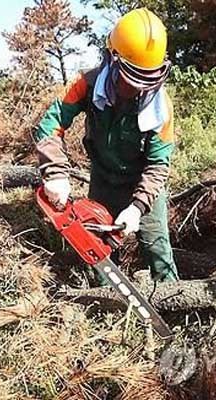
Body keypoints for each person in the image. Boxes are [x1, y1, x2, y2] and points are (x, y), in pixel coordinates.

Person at [34, 8, 179, 283]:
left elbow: (158, 165)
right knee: (95, 246)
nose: (139, 89)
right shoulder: (86, 85)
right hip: (103, 177)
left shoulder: (161, 108)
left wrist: (137, 207)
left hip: (142, 181)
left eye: (146, 81)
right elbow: (50, 124)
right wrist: (55, 173)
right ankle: (104, 305)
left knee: (156, 247)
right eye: (132, 78)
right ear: (112, 58)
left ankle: (174, 301)